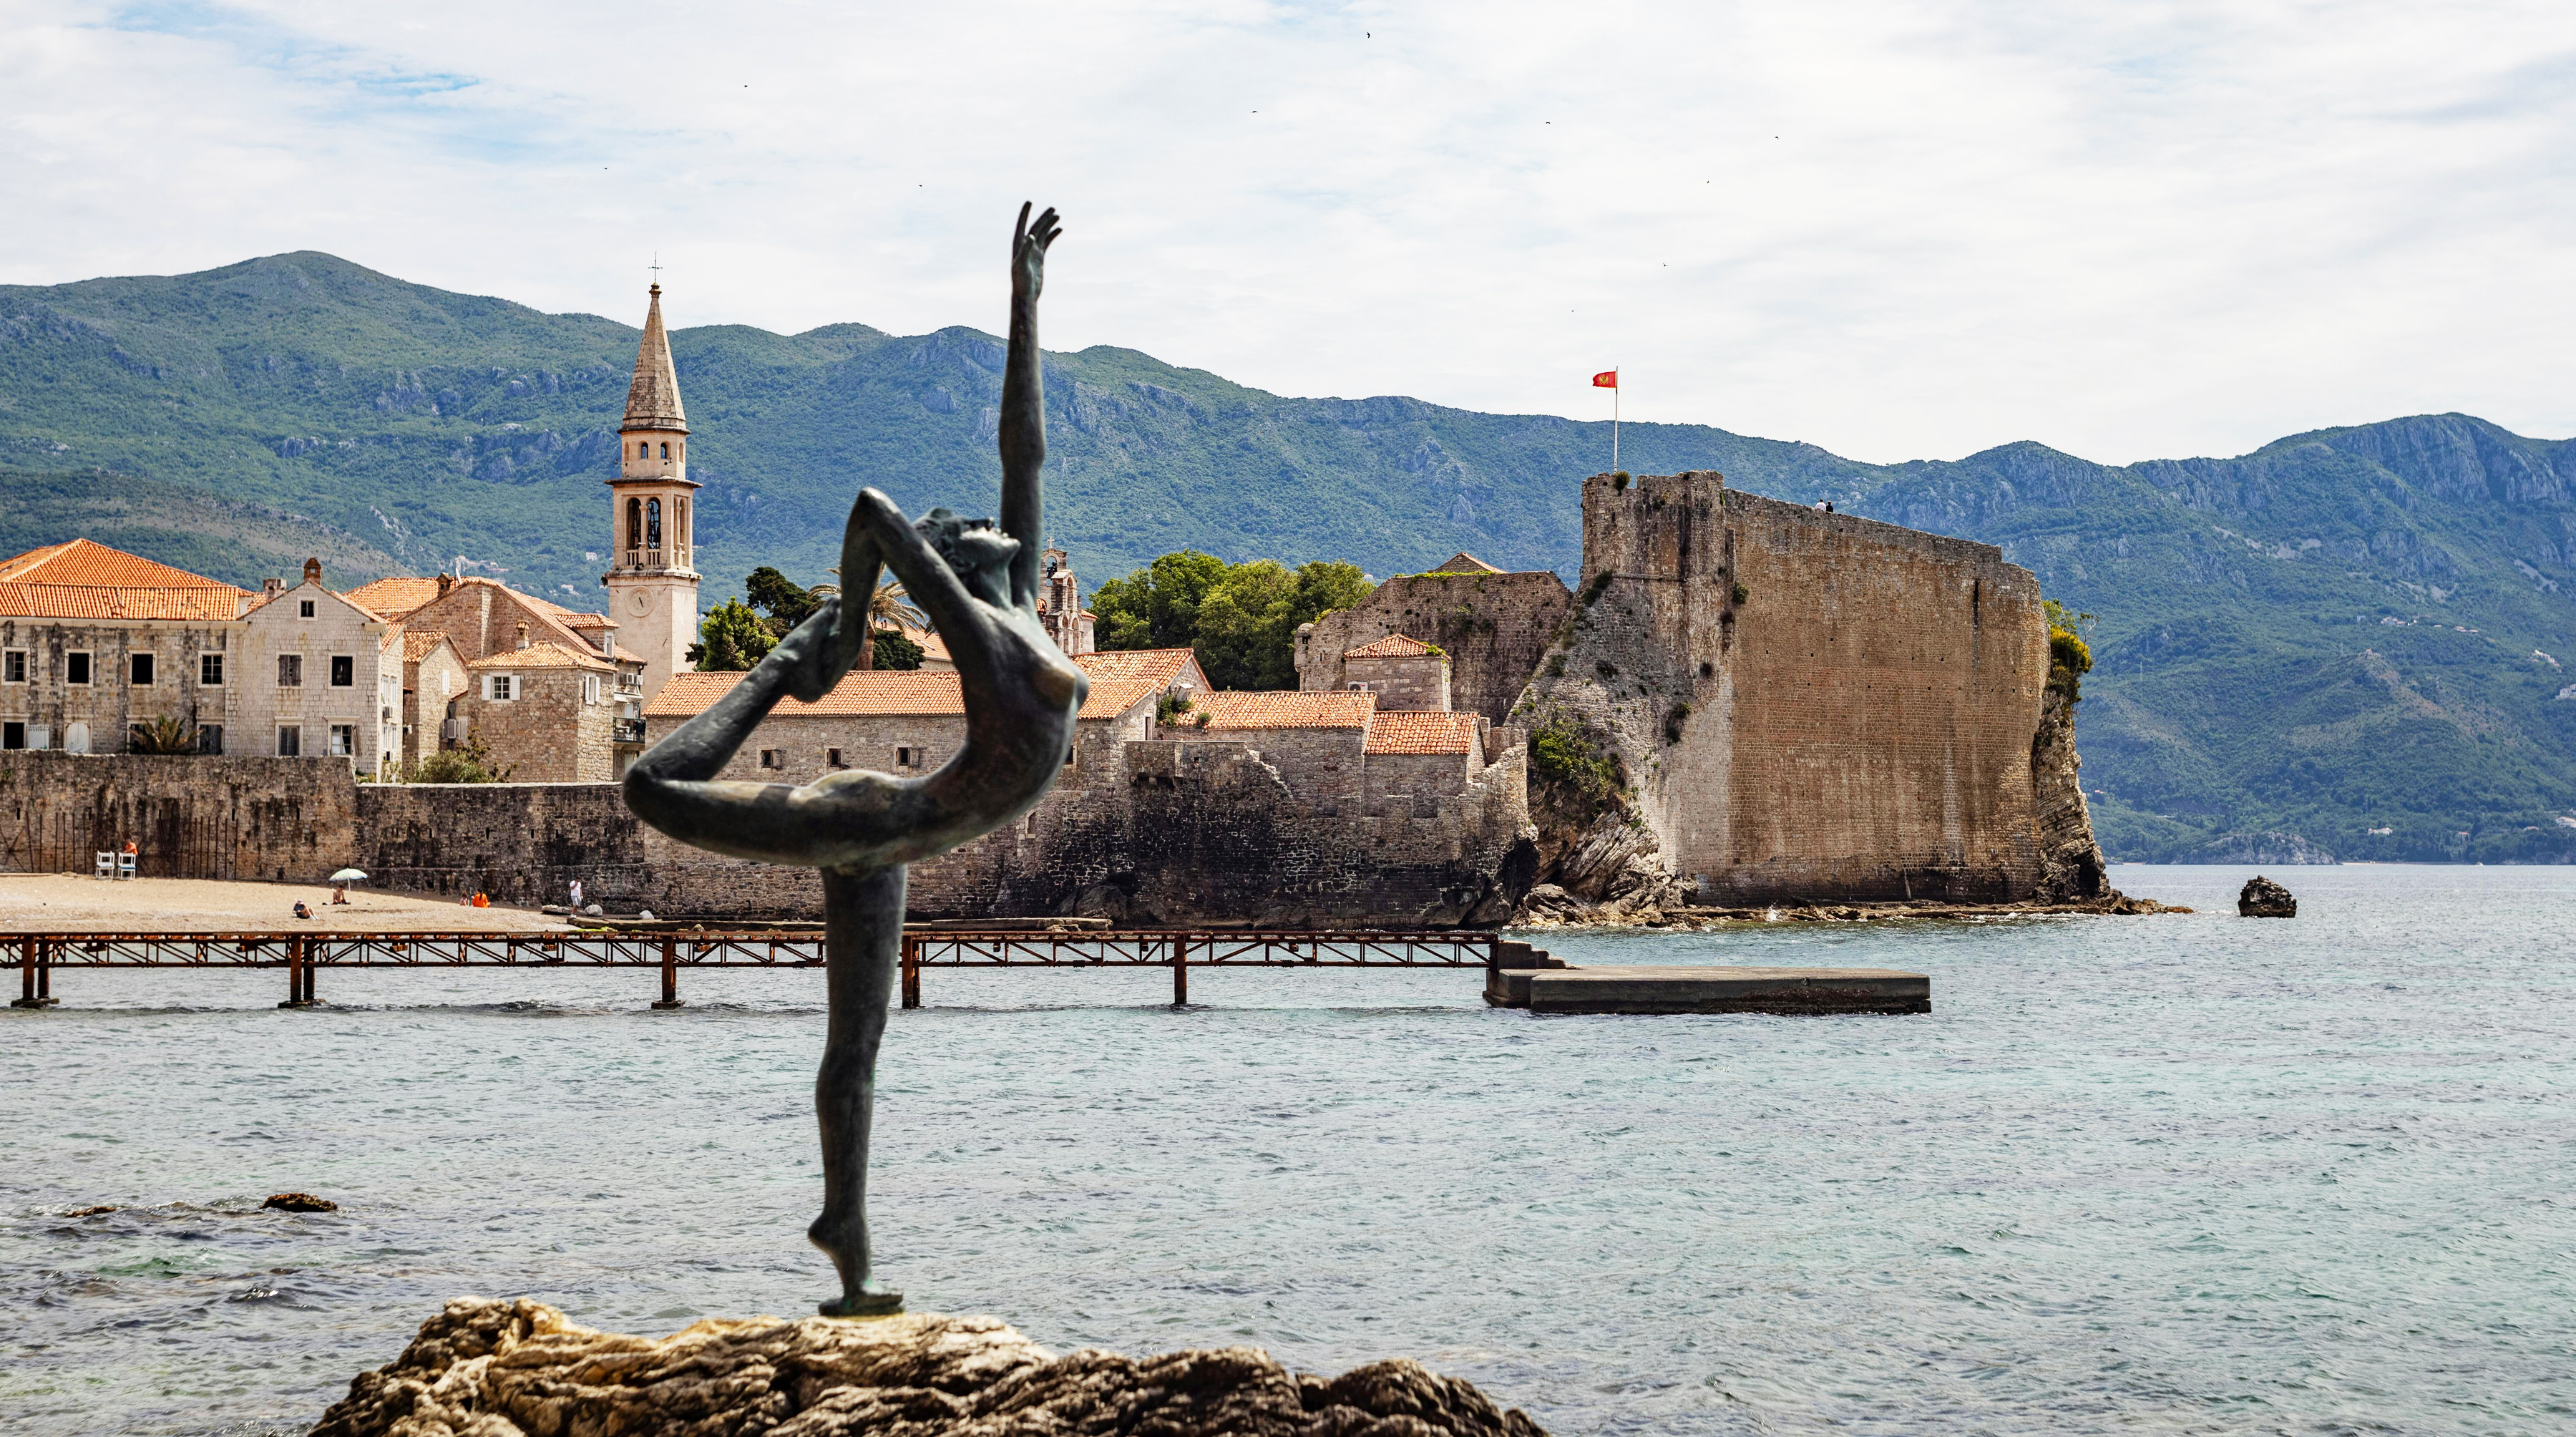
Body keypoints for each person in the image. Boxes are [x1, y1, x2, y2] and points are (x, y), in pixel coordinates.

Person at [622, 203, 1083, 1320]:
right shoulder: (977, 630)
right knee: (647, 787)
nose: (989, 518)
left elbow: (1023, 441)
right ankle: (781, 662)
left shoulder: (1014, 599)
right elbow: (875, 513)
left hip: (897, 836)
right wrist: (836, 635)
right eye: (966, 528)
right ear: (955, 569)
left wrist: (1023, 295)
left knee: (857, 1051)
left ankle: (850, 1243)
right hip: (864, 816)